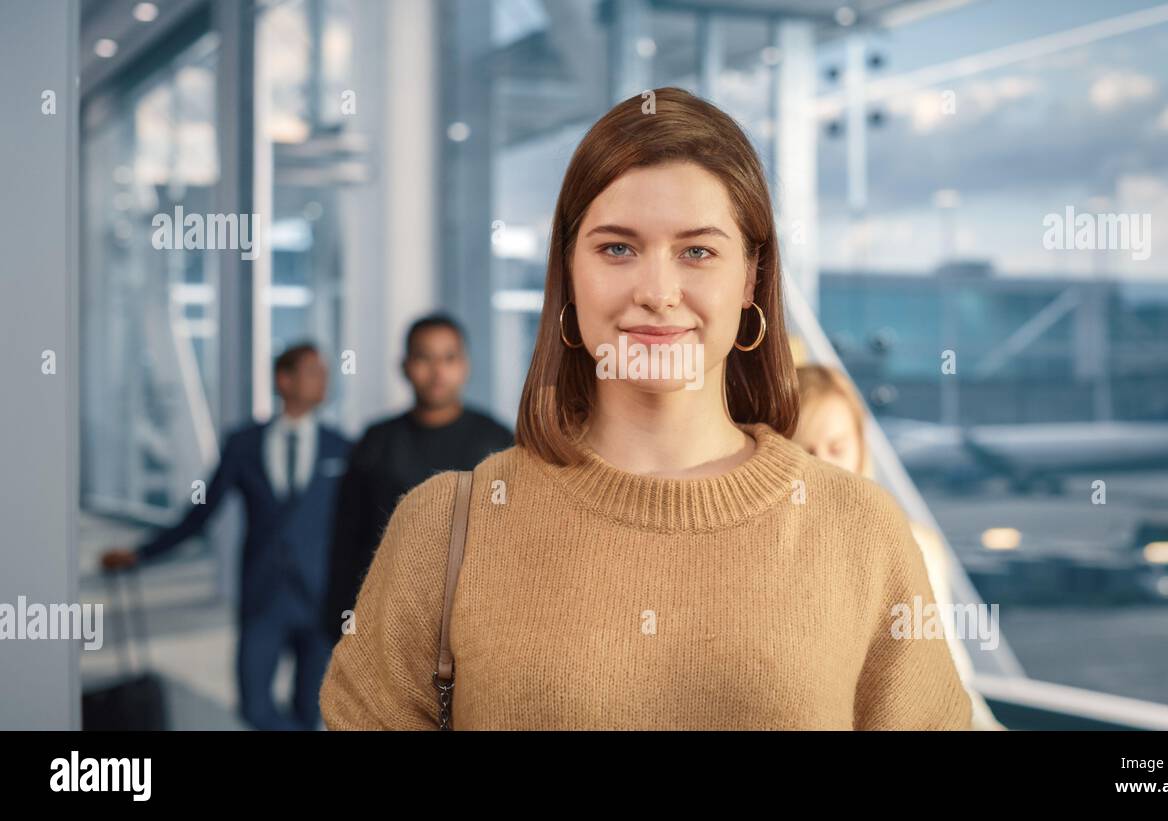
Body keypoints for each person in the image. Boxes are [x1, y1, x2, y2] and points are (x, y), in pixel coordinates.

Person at [318, 87, 971, 730]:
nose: (657, 292)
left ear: (750, 279)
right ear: (568, 273)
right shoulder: (443, 529)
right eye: (617, 248)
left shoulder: (859, 529)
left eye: (697, 251)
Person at [102, 343, 350, 730]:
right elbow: (201, 513)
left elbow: (361, 526)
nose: (323, 380)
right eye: (312, 372)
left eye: (325, 372)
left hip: (321, 602)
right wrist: (141, 554)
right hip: (262, 597)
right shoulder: (244, 444)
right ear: (283, 379)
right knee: (254, 708)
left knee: (311, 708)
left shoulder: (342, 447)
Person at [793, 363, 1005, 730]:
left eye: (837, 448)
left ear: (860, 447)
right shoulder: (772, 563)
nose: (827, 468)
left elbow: (951, 678)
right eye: (807, 453)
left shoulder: (914, 544)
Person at [321, 314, 513, 641]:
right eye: (424, 357)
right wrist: (338, 616)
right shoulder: (376, 441)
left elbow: (514, 542)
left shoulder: (497, 442)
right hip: (388, 617)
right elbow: (347, 537)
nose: (438, 371)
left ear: (464, 366)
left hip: (473, 621)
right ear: (406, 366)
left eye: (449, 358)